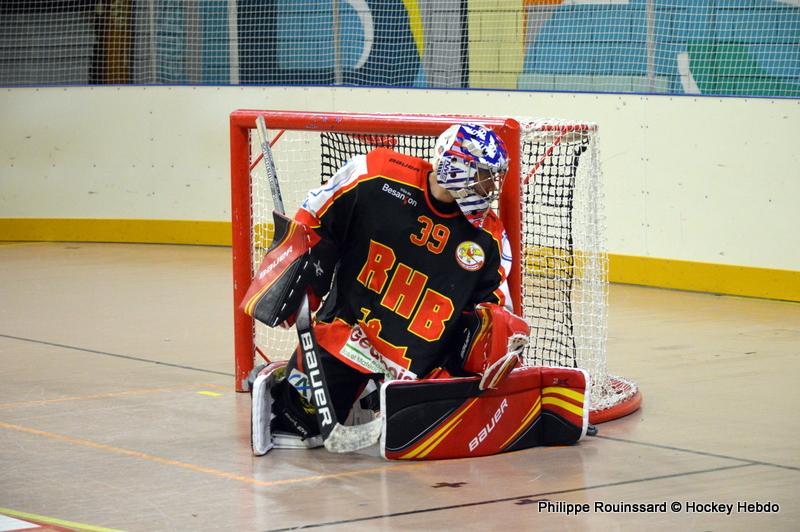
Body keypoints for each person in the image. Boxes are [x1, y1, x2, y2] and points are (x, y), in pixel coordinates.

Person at [246, 123, 530, 451]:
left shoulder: (490, 238)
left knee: (430, 441)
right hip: (349, 335)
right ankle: (321, 387)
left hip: (420, 366)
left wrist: (497, 338)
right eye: (483, 175)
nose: (490, 186)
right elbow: (317, 213)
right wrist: (297, 262)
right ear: (455, 166)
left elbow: (493, 305)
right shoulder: (376, 174)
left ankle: (371, 394)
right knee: (296, 426)